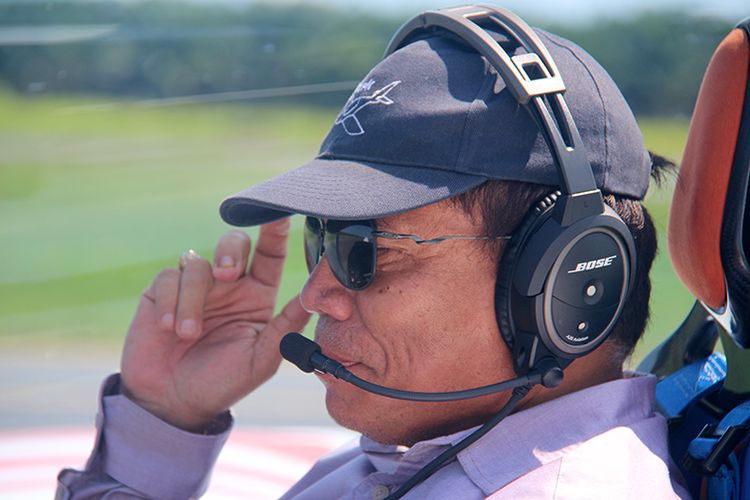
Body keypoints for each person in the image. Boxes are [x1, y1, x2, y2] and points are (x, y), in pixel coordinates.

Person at [57, 7, 690, 499]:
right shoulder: (398, 460)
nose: (315, 295)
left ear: (572, 279)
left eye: (368, 249)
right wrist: (163, 417)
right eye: (323, 239)